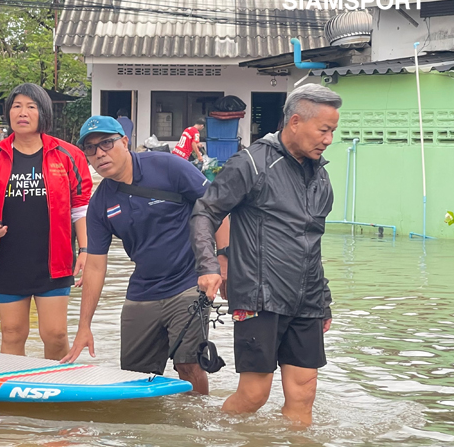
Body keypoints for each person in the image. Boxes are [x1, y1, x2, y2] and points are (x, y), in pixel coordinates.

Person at [190, 84, 340, 426]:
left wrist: (323, 301)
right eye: (324, 130)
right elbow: (205, 212)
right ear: (296, 122)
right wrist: (210, 264)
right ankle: (214, 435)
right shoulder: (252, 164)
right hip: (258, 296)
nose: (329, 139)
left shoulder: (321, 177)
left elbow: (312, 244)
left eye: (333, 131)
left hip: (307, 299)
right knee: (254, 395)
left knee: (304, 394)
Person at [61, 116, 229, 394]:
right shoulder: (100, 203)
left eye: (106, 143)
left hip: (188, 282)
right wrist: (84, 326)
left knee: (188, 365)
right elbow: (94, 268)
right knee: (134, 377)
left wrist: (222, 262)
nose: (99, 153)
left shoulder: (167, 166)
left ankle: (194, 428)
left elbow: (217, 208)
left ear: (125, 142)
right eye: (90, 149)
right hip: (143, 290)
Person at [0, 83, 93, 360]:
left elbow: (80, 207)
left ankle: (56, 394)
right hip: (6, 260)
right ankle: (13, 396)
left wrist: (85, 249)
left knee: (55, 334)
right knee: (12, 332)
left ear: (43, 113)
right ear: (8, 113)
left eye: (31, 106)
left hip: (54, 260)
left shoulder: (69, 156)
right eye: (17, 106)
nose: (23, 112)